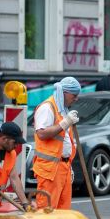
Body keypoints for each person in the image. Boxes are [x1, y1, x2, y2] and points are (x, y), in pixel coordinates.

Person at [33, 76, 82, 210]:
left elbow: (65, 140)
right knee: (47, 211)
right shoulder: (47, 108)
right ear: (65, 92)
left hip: (63, 168)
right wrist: (65, 123)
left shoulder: (62, 110)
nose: (76, 98)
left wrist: (68, 165)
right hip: (50, 170)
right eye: (74, 95)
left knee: (63, 211)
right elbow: (41, 133)